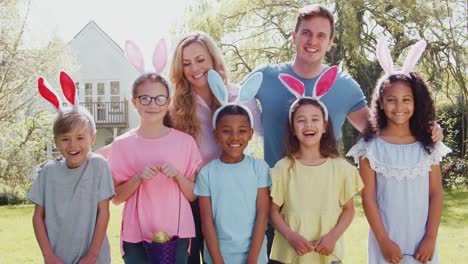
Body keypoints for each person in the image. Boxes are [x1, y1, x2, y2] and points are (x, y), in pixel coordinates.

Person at [242, 4, 442, 259]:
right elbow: (233, 112)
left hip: (325, 213)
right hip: (274, 201)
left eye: (321, 35)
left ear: (331, 42)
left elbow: (382, 129)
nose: (312, 41)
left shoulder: (344, 85)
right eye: (306, 33)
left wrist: (429, 129)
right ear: (294, 35)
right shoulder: (264, 77)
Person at [347, 38, 450, 264]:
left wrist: (431, 237)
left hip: (422, 241)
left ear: (416, 102)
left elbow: (436, 194)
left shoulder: (428, 144)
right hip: (386, 242)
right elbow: (369, 198)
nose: (399, 107)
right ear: (381, 102)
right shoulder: (369, 148)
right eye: (391, 100)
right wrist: (383, 240)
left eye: (406, 100)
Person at [169, 30, 261, 264]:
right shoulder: (176, 107)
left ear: (213, 60)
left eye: (200, 60)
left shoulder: (239, 96)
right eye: (186, 63)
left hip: (237, 196)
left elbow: (263, 132)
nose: (194, 68)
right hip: (196, 197)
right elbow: (147, 135)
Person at [107, 40, 203, 264]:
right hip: (136, 234)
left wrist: (178, 176)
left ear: (168, 101)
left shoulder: (185, 143)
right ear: (134, 102)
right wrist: (138, 178)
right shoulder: (122, 145)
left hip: (178, 232)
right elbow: (116, 198)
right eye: (145, 98)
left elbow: (192, 194)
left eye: (159, 98)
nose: (152, 104)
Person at [269, 66, 363, 264]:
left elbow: (349, 210)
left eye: (315, 119)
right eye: (301, 120)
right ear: (293, 129)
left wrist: (332, 237)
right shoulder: (282, 168)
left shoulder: (341, 168)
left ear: (325, 126)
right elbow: (273, 211)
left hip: (327, 254)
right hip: (288, 255)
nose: (308, 125)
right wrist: (290, 236)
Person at [27, 72, 114, 264]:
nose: (73, 145)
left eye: (80, 138)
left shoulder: (99, 166)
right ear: (56, 141)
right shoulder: (48, 172)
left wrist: (92, 255)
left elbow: (104, 213)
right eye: (65, 139)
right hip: (58, 259)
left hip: (94, 259)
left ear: (92, 138)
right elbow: (38, 218)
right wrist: (48, 255)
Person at [194, 69, 270, 263]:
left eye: (242, 131)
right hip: (218, 256)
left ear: (251, 134)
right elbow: (207, 223)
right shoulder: (207, 173)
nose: (235, 137)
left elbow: (262, 216)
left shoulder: (259, 169)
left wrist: (253, 259)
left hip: (254, 256)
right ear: (216, 134)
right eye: (227, 131)